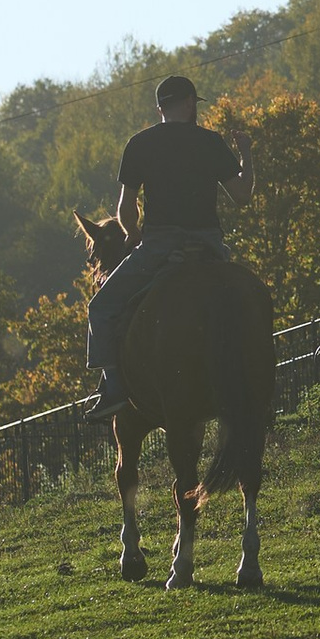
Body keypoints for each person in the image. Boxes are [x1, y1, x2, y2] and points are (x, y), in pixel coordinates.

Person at [88, 74, 248, 408]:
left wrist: (133, 235)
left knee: (101, 307)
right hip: (209, 246)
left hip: (160, 245)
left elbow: (126, 208)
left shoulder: (140, 144)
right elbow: (243, 196)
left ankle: (114, 387)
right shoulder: (211, 141)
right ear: (190, 103)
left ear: (159, 107)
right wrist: (247, 156)